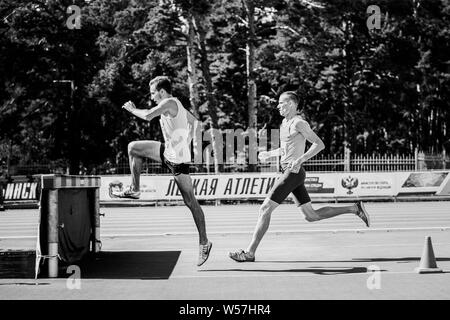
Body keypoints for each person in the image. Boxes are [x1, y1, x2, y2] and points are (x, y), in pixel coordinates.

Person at [229, 91, 370, 262]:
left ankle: (249, 253)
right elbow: (286, 149)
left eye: (281, 103)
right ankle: (354, 208)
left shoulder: (299, 123)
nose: (278, 106)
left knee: (265, 208)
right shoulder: (284, 123)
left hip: (293, 172)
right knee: (311, 216)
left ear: (291, 104)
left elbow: (319, 144)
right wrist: (269, 154)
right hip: (289, 171)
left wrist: (300, 159)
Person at [115, 76, 212, 266]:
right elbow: (196, 123)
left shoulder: (169, 101)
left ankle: (204, 242)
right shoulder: (179, 107)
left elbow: (149, 115)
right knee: (133, 147)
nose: (151, 97)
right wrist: (188, 141)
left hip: (178, 161)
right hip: (167, 152)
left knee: (190, 202)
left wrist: (132, 109)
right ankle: (135, 189)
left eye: (152, 93)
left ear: (161, 91)